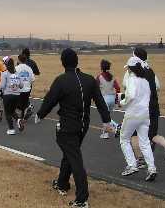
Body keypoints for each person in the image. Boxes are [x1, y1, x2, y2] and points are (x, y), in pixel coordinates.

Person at [34, 48, 116, 208]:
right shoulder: (89, 80)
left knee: (74, 158)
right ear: (77, 61)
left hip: (67, 126)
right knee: (70, 153)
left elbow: (50, 100)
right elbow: (100, 102)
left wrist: (40, 115)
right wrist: (106, 121)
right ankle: (62, 183)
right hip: (83, 126)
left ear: (62, 62)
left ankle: (82, 199)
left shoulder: (61, 80)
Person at [130, 48, 165, 166]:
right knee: (152, 134)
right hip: (154, 106)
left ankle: (140, 160)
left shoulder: (133, 72)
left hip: (141, 108)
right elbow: (157, 86)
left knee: (134, 134)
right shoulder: (150, 70)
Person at [118, 56, 157, 181]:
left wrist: (122, 102)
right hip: (145, 114)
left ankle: (132, 165)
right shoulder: (145, 81)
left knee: (124, 138)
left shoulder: (131, 79)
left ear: (131, 68)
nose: (128, 70)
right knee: (144, 141)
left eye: (128, 67)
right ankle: (152, 168)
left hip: (133, 113)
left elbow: (131, 95)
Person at [96, 60, 120, 139]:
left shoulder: (99, 77)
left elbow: (95, 89)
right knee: (106, 117)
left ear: (101, 67)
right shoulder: (112, 77)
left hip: (104, 99)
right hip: (112, 99)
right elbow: (118, 88)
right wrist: (117, 100)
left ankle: (117, 126)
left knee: (106, 118)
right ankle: (105, 134)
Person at [0, 57, 23, 135]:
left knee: (7, 112)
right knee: (12, 111)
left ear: (6, 64)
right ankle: (18, 120)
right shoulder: (17, 73)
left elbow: (2, 86)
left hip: (7, 95)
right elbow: (21, 85)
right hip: (17, 95)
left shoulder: (5, 73)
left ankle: (11, 129)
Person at [15, 54, 35, 128]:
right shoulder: (29, 68)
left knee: (16, 104)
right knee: (23, 104)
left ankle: (20, 117)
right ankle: (23, 115)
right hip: (27, 89)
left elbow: (13, 78)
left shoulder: (16, 68)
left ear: (19, 60)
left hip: (19, 89)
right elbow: (33, 79)